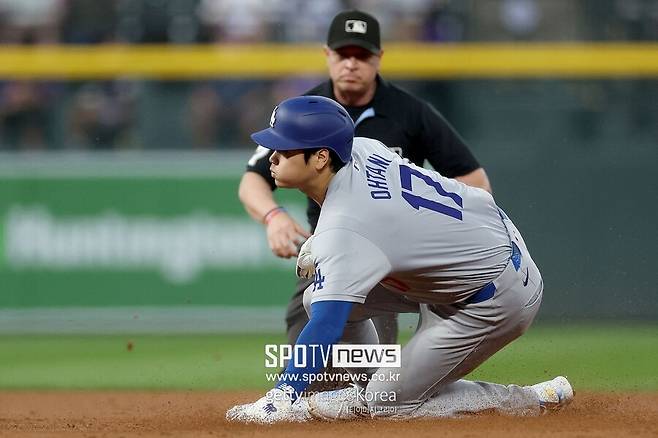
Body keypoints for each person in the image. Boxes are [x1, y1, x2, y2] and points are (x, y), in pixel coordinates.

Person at [227, 96, 573, 423]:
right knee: (314, 295)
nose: (272, 156)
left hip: (494, 296)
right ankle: (374, 387)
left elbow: (327, 326)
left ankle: (530, 399)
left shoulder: (347, 230)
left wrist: (283, 395)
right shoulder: (362, 147)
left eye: (285, 149)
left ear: (320, 158)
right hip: (482, 241)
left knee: (387, 404)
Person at [238, 10, 491, 348]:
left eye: (362, 55)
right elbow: (252, 180)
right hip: (326, 250)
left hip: (385, 260)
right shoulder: (300, 112)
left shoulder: (410, 112)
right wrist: (273, 216)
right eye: (343, 54)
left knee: (373, 382)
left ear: (379, 58)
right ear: (327, 56)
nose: (351, 64)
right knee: (304, 365)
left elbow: (475, 182)